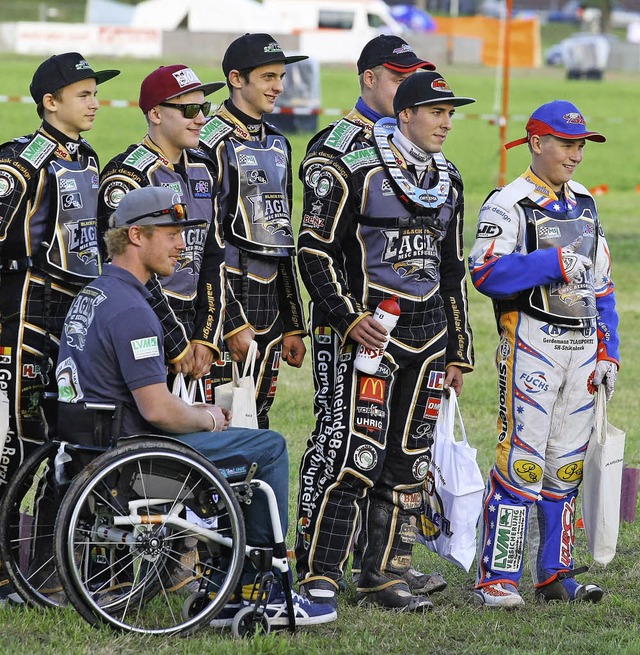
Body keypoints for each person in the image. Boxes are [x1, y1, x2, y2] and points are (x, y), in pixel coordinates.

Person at [56, 185, 337, 628]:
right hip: (137, 459)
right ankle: (256, 585)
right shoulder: (132, 311)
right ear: (135, 236)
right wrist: (208, 417)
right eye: (170, 233)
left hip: (92, 448)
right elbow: (159, 411)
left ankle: (228, 578)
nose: (182, 245)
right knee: (268, 447)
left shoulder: (94, 294)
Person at [294, 72, 475, 612]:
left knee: (410, 462)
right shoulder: (356, 168)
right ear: (404, 116)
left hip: (429, 340)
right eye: (435, 111)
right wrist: (349, 318)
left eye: (450, 113)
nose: (446, 122)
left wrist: (458, 351)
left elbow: (452, 270)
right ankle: (320, 572)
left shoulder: (452, 180)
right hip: (374, 337)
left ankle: (384, 573)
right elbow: (314, 251)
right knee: (355, 455)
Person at [468, 100, 620, 607]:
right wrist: (548, 262)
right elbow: (485, 272)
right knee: (523, 463)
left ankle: (554, 574)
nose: (575, 155)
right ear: (537, 142)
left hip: (582, 349)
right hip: (531, 344)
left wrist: (609, 353)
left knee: (566, 467)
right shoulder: (507, 203)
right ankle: (498, 578)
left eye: (580, 145)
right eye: (566, 144)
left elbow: (603, 287)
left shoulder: (585, 203)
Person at [0, 53, 119, 596]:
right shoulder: (21, 162)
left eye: (95, 93)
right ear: (50, 103)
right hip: (23, 320)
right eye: (82, 94)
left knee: (64, 442)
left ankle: (48, 567)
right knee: (15, 447)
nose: (94, 103)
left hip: (72, 322)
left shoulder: (89, 157)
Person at [198, 33, 307, 428]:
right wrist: (229, 321)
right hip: (228, 303)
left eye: (280, 76)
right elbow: (206, 242)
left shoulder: (279, 142)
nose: (278, 86)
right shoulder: (208, 142)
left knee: (257, 422)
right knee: (221, 423)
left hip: (271, 309)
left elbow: (283, 237)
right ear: (236, 79)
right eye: (267, 77)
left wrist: (293, 323)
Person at [98, 64, 226, 385]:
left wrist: (206, 336)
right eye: (190, 110)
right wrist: (175, 340)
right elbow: (123, 270)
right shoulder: (128, 175)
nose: (201, 119)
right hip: (143, 321)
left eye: (204, 108)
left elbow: (212, 257)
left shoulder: (204, 168)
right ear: (155, 114)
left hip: (194, 328)